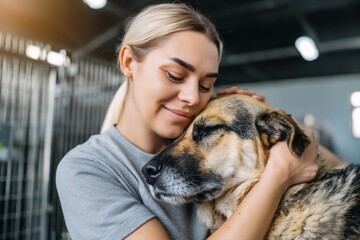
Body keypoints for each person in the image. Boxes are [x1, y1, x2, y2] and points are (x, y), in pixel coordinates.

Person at [56, 3, 340, 240]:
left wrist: (257, 114)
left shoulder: (220, 139)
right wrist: (278, 175)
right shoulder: (86, 170)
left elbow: (322, 163)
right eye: (175, 75)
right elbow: (291, 168)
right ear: (129, 62)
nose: (192, 97)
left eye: (206, 85)